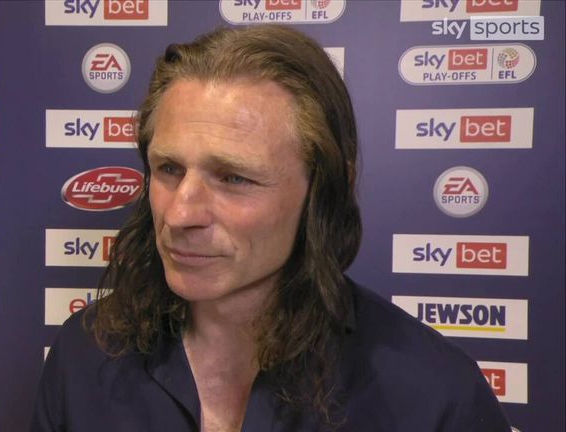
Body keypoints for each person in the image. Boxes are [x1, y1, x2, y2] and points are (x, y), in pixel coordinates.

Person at [31, 25, 511, 431]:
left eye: (233, 178)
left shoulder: (433, 396)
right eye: (169, 169)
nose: (179, 214)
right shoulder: (85, 355)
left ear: (324, 191)